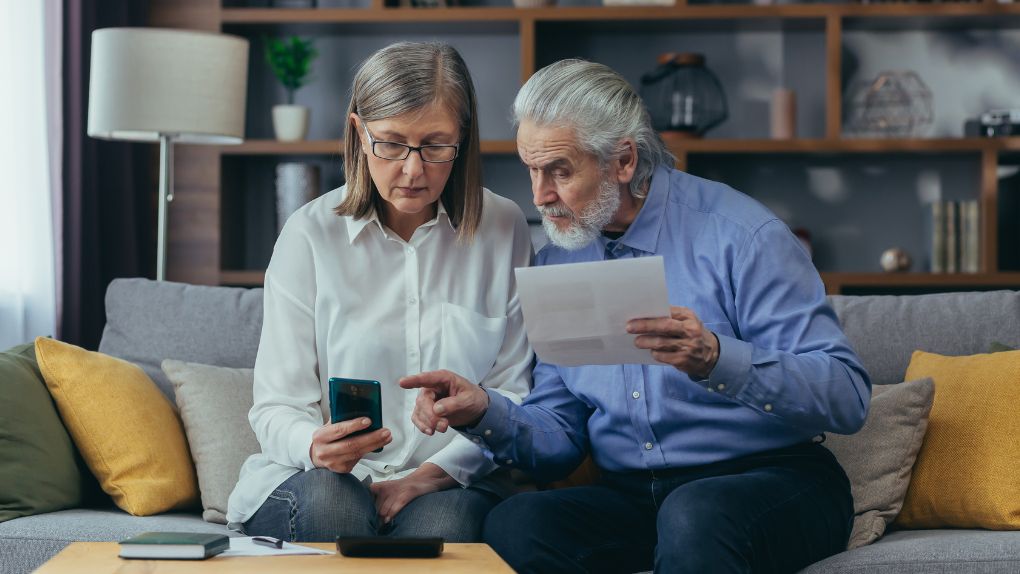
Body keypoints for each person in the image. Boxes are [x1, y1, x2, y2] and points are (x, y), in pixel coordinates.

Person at [400, 59, 872, 573]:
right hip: (636, 495)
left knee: (695, 516)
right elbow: (560, 437)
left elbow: (847, 398)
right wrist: (482, 410)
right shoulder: (561, 258)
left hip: (774, 482)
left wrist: (715, 358)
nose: (539, 197)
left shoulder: (743, 236)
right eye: (531, 170)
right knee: (516, 523)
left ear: (623, 160)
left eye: (559, 170)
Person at [225, 42, 533, 543]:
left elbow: (514, 394)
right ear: (357, 133)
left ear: (463, 139)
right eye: (390, 143)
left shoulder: (503, 227)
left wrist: (424, 478)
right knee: (337, 506)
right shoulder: (309, 235)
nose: (413, 170)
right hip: (322, 480)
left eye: (435, 146)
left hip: (446, 482)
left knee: (446, 525)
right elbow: (276, 405)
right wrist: (315, 447)